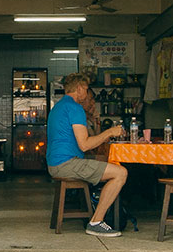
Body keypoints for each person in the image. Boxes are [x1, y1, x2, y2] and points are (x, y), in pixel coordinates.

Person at [45, 72, 128, 237]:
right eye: (87, 88)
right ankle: (96, 222)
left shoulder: (59, 106)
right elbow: (85, 145)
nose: (88, 93)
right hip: (66, 164)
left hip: (56, 163)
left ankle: (100, 213)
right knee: (121, 173)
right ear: (79, 88)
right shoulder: (75, 108)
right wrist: (110, 132)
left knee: (104, 161)